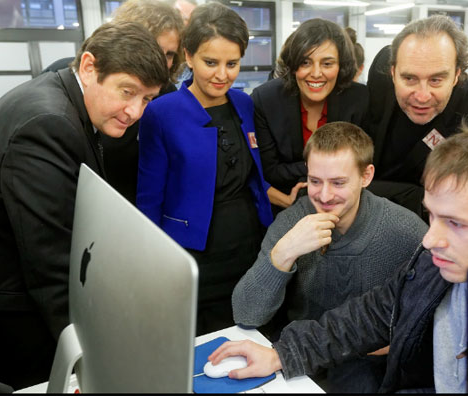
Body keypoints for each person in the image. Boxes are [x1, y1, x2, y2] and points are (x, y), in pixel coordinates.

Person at [209, 121, 468, 393]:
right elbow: (373, 314)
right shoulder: (441, 257)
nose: (429, 239)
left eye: (456, 223)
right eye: (432, 215)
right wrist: (282, 355)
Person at [0, 22, 168, 390]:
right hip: (6, 307)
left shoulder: (60, 98)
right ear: (90, 67)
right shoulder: (48, 124)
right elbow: (50, 260)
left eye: (147, 99)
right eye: (128, 92)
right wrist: (92, 356)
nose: (135, 111)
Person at [136, 3, 296, 336]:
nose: (222, 75)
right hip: (194, 257)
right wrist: (149, 267)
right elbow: (149, 200)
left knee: (254, 335)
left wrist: (290, 201)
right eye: (211, 63)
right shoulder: (161, 113)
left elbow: (252, 179)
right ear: (188, 55)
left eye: (232, 63)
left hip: (251, 248)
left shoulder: (244, 103)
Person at [232, 121, 427, 392]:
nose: (324, 195)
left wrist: (397, 340)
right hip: (297, 356)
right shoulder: (292, 222)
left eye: (338, 183)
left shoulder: (405, 230)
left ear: (366, 176)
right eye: (314, 181)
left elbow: (429, 319)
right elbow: (245, 313)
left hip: (367, 366)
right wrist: (283, 254)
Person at [366, 15, 468, 220]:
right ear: (392, 72)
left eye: (436, 80)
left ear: (456, 76)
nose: (422, 96)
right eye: (409, 79)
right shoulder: (381, 71)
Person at [41, 0, 185, 204]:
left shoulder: (167, 96)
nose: (158, 61)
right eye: (151, 46)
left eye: (169, 54)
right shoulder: (66, 78)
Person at [251, 18, 370, 214]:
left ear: (341, 66)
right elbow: (270, 171)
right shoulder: (266, 99)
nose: (316, 73)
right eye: (305, 62)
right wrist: (332, 168)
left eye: (327, 63)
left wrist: (304, 170)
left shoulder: (359, 98)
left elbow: (361, 165)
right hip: (284, 209)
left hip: (346, 207)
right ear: (293, 65)